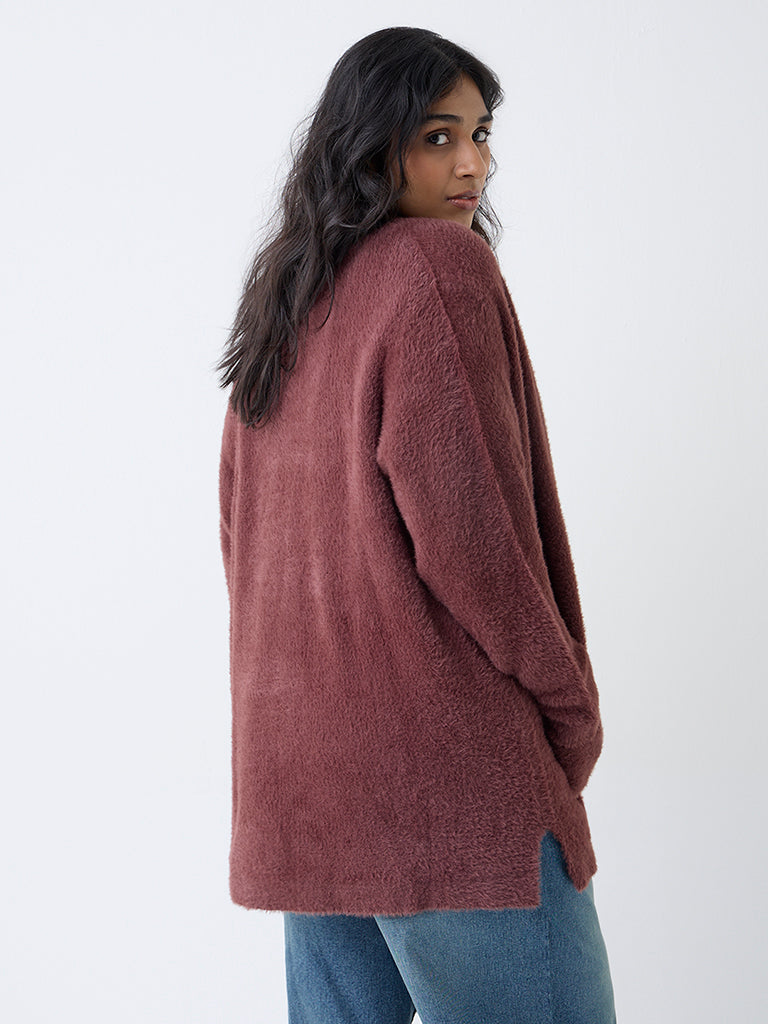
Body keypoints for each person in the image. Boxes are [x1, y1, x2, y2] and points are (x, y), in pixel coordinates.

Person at [215, 26, 617, 1024]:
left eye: (480, 135)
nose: (473, 164)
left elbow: (243, 541)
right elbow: (479, 542)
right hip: (449, 791)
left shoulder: (287, 297)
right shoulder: (438, 268)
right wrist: (568, 707)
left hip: (303, 790)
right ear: (369, 142)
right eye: (438, 137)